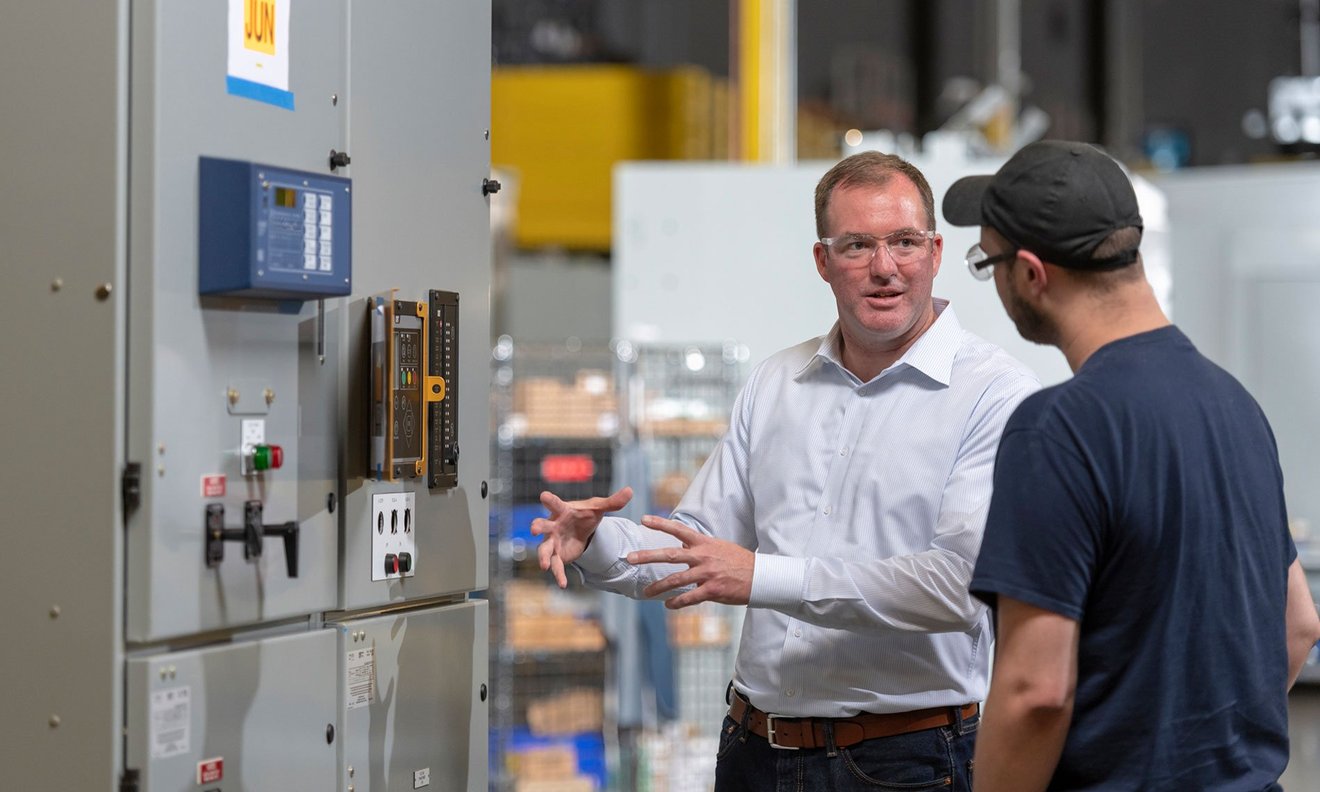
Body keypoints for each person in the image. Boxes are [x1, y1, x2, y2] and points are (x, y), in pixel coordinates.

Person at [532, 151, 1039, 791]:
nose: (885, 268)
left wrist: (762, 576)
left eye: (904, 242)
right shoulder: (778, 382)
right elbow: (696, 542)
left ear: (936, 252)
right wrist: (598, 540)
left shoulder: (995, 393)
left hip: (903, 762)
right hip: (754, 752)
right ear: (824, 262)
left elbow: (960, 587)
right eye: (857, 245)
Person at [942, 139, 1320, 791]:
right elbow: (1298, 626)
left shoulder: (1056, 429)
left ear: (1031, 274)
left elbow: (1036, 690)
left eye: (988, 263)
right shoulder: (1234, 404)